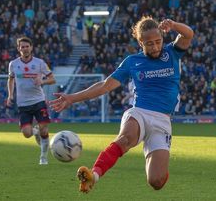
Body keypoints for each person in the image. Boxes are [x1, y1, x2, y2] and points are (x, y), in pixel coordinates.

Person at [49, 16, 194, 193]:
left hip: (163, 121)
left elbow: (188, 34)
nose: (155, 47)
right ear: (141, 42)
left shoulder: (172, 52)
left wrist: (174, 25)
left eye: (158, 41)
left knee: (157, 181)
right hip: (139, 112)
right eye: (150, 44)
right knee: (125, 139)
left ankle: (156, 160)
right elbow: (105, 86)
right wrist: (72, 98)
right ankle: (93, 176)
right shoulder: (132, 61)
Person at [7, 36, 56, 165]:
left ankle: (43, 157)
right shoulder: (13, 64)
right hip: (23, 103)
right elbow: (11, 79)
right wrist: (10, 95)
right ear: (18, 49)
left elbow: (52, 79)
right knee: (26, 133)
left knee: (44, 130)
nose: (25, 49)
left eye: (27, 46)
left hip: (39, 101)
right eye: (22, 47)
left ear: (31, 47)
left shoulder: (39, 63)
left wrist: (43, 81)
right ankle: (35, 132)